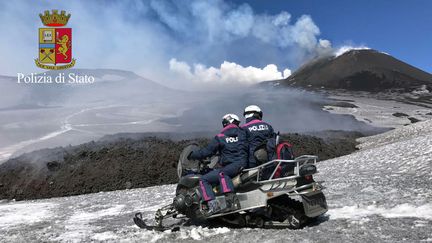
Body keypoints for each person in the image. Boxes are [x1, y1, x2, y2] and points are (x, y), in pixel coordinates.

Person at [188, 114, 248, 213]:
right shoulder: (243, 133)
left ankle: (218, 205)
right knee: (222, 172)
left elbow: (207, 152)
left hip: (231, 167)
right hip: (244, 164)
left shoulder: (220, 137)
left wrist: (192, 155)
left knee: (204, 179)